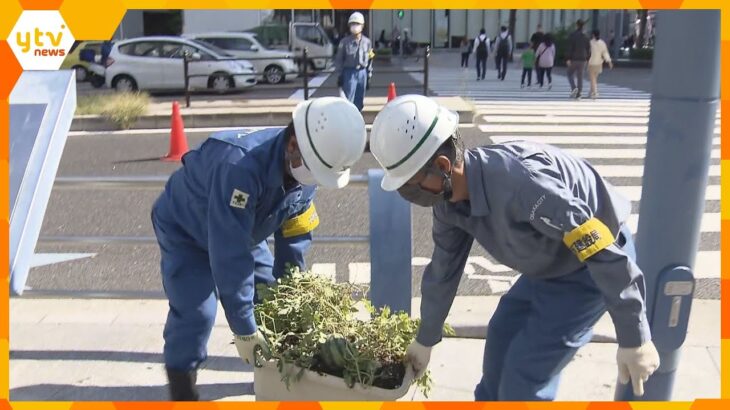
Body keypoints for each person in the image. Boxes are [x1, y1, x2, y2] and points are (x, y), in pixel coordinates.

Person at [369, 94, 660, 401]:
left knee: (523, 378)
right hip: (547, 267)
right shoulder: (449, 205)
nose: (407, 195)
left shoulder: (524, 185)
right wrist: (425, 338)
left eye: (410, 184)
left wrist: (634, 336)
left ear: (442, 166)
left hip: (588, 271)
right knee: (500, 339)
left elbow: (600, 248)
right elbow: (443, 271)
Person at [153, 97, 368, 401]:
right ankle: (182, 390)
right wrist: (244, 328)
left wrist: (291, 293)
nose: (316, 180)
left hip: (241, 232)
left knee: (271, 298)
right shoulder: (239, 167)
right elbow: (230, 254)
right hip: (187, 232)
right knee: (196, 314)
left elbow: (295, 235)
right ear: (292, 145)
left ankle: (274, 382)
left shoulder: (309, 167)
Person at [334, 12, 373, 111]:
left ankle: (358, 121)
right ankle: (348, 123)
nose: (355, 26)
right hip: (349, 73)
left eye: (357, 24)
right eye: (352, 24)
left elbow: (370, 58)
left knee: (359, 100)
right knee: (348, 100)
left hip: (362, 73)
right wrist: (340, 76)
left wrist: (369, 75)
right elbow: (339, 60)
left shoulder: (367, 42)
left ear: (362, 26)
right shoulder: (344, 42)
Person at [566, 19, 591, 99]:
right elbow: (588, 49)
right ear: (583, 26)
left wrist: (568, 58)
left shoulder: (573, 35)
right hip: (583, 59)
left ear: (577, 25)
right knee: (580, 77)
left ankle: (574, 88)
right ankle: (579, 93)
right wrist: (588, 58)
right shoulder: (586, 36)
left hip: (574, 58)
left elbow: (570, 47)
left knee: (569, 73)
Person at [588, 30, 614, 99]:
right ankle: (591, 91)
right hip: (599, 63)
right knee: (594, 78)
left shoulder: (591, 42)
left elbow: (588, 52)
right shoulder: (602, 43)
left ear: (593, 35)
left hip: (592, 62)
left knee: (592, 79)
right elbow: (605, 53)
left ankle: (595, 92)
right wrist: (609, 62)